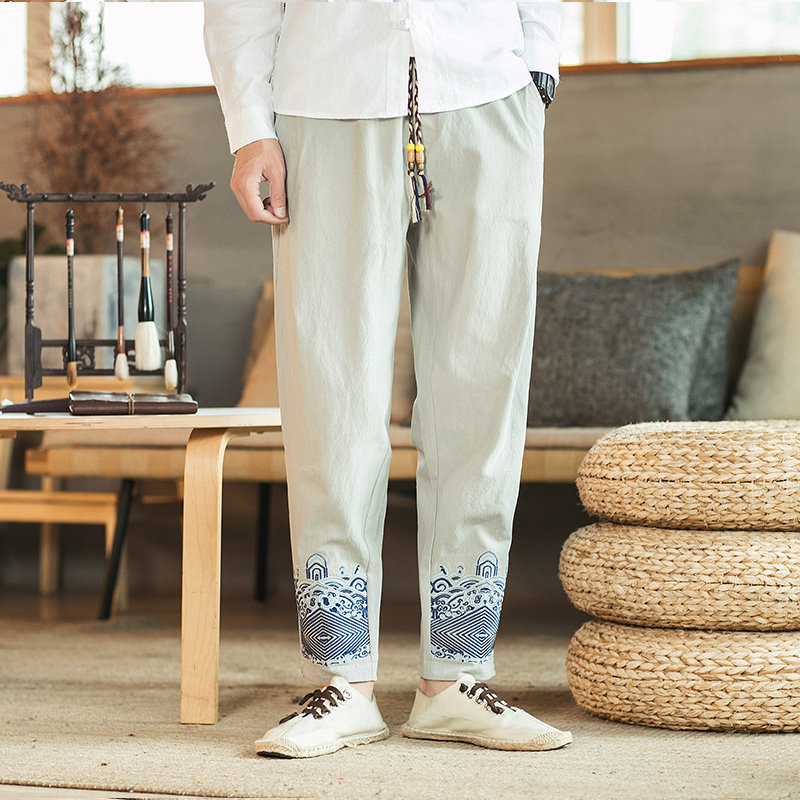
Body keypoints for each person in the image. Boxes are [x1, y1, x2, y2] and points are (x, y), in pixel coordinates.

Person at [203, 0, 571, 759]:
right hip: (324, 104)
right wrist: (250, 128)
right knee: (330, 397)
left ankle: (457, 677)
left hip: (488, 95)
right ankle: (341, 679)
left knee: (483, 392)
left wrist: (538, 64)